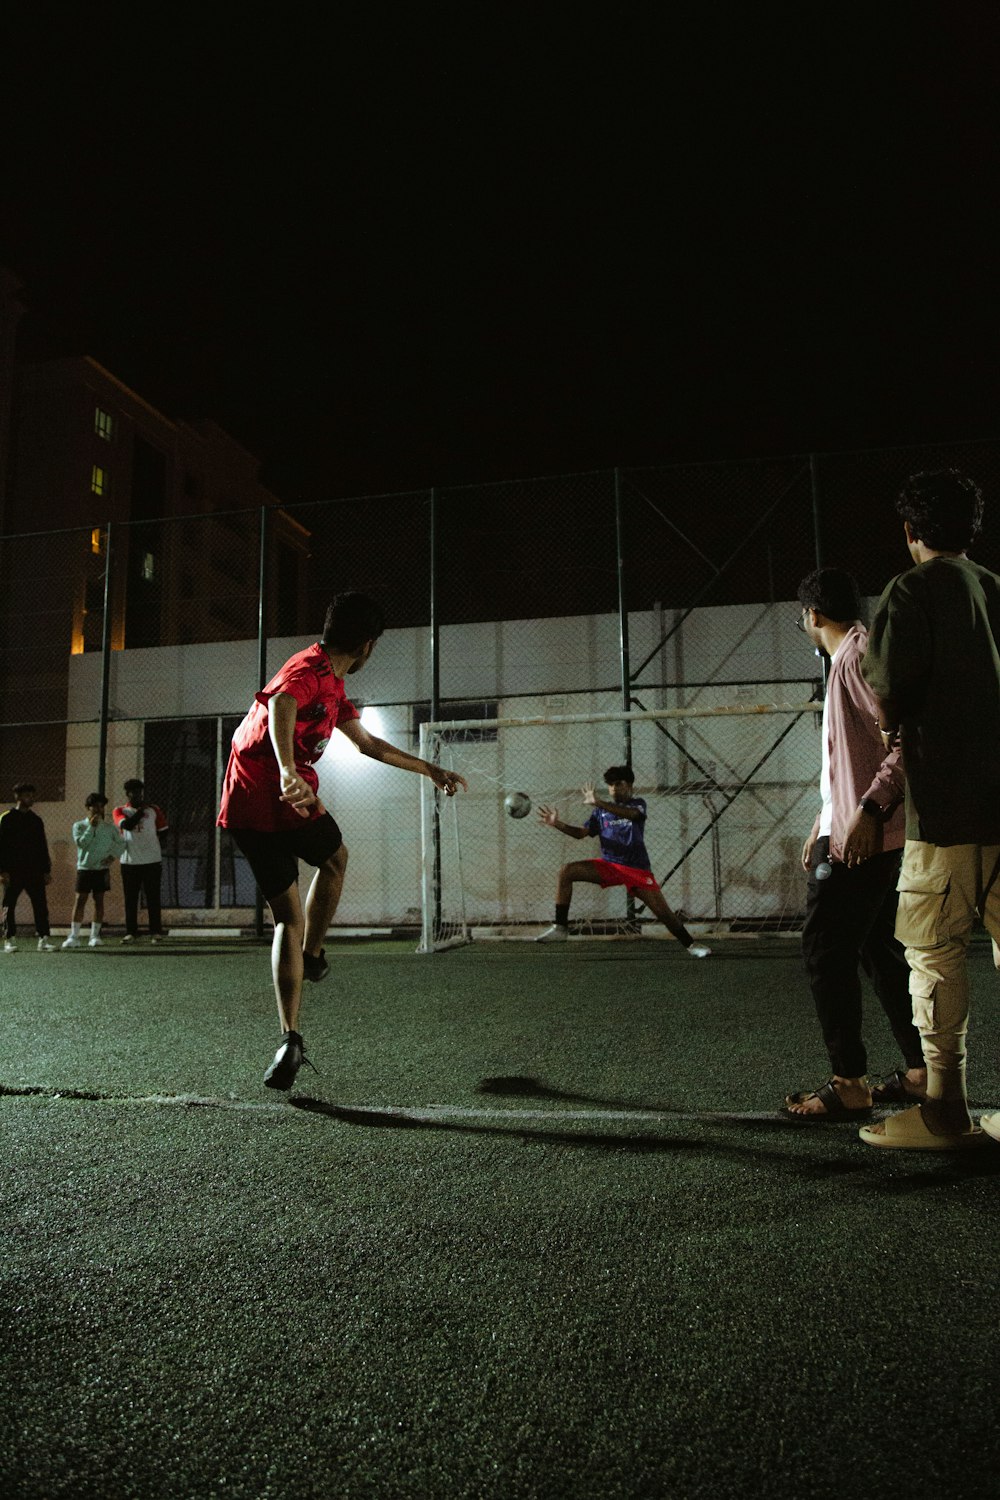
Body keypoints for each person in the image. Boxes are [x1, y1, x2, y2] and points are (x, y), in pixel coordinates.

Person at [217, 591, 467, 1091]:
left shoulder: (332, 684)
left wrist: (428, 768)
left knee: (298, 904)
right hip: (271, 790)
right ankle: (310, 958)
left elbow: (368, 743)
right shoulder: (308, 671)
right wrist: (290, 771)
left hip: (248, 797)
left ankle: (291, 1033)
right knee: (332, 864)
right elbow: (283, 703)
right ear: (369, 645)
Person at [861, 469, 1000, 1150]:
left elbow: (888, 687)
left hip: (946, 808)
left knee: (934, 955)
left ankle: (944, 1111)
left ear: (911, 532)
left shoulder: (910, 590)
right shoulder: (997, 589)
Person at [782, 568, 925, 1122]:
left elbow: (905, 740)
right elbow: (850, 761)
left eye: (803, 615)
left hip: (863, 841)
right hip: (850, 833)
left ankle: (849, 1084)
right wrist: (824, 821)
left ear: (813, 615)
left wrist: (867, 812)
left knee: (824, 950)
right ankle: (919, 1071)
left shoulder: (859, 658)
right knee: (879, 950)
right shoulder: (848, 659)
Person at [534, 765, 711, 956]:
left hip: (636, 869)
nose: (613, 789)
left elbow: (633, 815)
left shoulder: (638, 804)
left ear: (629, 785)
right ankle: (560, 928)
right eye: (610, 785)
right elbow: (580, 833)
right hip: (609, 865)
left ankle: (692, 946)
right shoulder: (600, 813)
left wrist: (598, 802)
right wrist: (556, 824)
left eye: (618, 784)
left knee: (663, 913)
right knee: (566, 871)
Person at [62, 792, 127, 948]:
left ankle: (95, 936)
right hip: (84, 869)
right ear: (88, 808)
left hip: (101, 870)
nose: (99, 809)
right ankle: (74, 936)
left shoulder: (110, 828)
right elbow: (82, 843)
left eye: (101, 806)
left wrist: (112, 857)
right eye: (95, 806)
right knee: (80, 900)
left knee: (99, 900)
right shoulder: (79, 826)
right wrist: (91, 827)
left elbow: (122, 843)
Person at [0, 781, 55, 952]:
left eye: (32, 795)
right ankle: (8, 939)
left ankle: (43, 939)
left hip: (34, 871)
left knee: (40, 904)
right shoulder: (6, 818)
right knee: (8, 905)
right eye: (27, 795)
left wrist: (46, 870)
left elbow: (42, 846)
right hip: (13, 871)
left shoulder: (36, 820)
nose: (31, 798)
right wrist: (2, 870)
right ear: (17, 797)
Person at [112, 779, 169, 943]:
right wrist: (140, 812)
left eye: (140, 792)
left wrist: (152, 844)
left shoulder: (154, 810)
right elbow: (127, 825)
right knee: (131, 898)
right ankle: (131, 932)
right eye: (134, 792)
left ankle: (156, 932)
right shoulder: (120, 810)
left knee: (153, 897)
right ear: (128, 794)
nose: (138, 795)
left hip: (152, 861)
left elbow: (164, 830)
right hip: (130, 862)